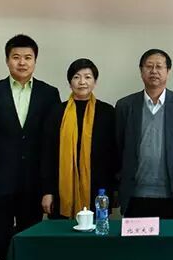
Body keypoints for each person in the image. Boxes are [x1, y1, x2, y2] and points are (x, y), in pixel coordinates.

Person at [0, 34, 60, 260]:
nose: (22, 62)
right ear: (7, 60)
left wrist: (47, 184)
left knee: (30, 242)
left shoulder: (49, 94)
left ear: (35, 61)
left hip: (34, 183)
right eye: (16, 57)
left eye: (28, 57)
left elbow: (52, 141)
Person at [115, 49, 173, 219]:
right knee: (135, 238)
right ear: (141, 70)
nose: (154, 71)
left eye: (159, 66)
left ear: (168, 71)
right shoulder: (125, 105)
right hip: (134, 194)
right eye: (149, 66)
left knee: (170, 237)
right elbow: (118, 147)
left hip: (171, 194)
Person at [41, 59, 117, 219]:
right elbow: (47, 154)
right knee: (62, 233)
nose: (82, 82)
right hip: (61, 190)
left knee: (95, 232)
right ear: (70, 83)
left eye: (88, 77)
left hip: (98, 190)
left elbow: (114, 154)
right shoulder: (56, 112)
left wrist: (114, 190)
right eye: (76, 77)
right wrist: (47, 191)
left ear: (95, 82)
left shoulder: (107, 112)